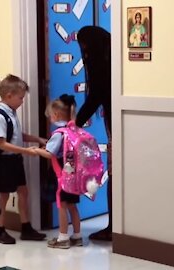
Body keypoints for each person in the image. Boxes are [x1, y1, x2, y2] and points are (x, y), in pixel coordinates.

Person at [0, 74, 47, 244]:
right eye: (20, 98)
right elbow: (2, 144)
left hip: (15, 160)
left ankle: (26, 227)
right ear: (8, 96)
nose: (22, 101)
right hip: (5, 161)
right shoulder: (0, 117)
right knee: (3, 195)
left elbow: (16, 135)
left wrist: (37, 139)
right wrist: (25, 150)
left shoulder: (11, 113)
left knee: (23, 191)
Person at [76, 26, 112, 241]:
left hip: (115, 125)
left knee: (115, 173)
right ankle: (114, 225)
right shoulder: (112, 57)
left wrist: (76, 123)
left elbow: (95, 95)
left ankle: (113, 227)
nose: (84, 52)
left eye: (85, 46)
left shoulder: (101, 63)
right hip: (115, 121)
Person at [34, 94, 83, 249]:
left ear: (55, 115)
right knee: (72, 206)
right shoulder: (74, 130)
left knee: (61, 205)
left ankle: (63, 238)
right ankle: (77, 236)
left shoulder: (58, 133)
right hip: (74, 175)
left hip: (61, 176)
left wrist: (35, 150)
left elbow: (50, 153)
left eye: (50, 116)